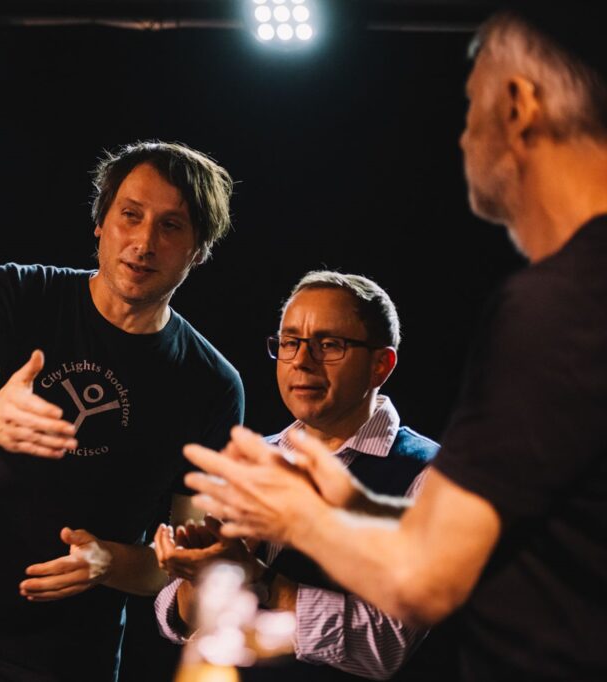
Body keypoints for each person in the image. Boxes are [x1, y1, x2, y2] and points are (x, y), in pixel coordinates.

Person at [182, 5, 607, 679]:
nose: (462, 138)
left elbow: (424, 581)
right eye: (290, 340)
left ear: (518, 105)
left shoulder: (562, 307)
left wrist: (296, 518)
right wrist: (352, 504)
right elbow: (475, 545)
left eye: (469, 107)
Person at [0, 141, 244, 681]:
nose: (144, 242)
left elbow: (182, 561)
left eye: (171, 226)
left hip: (65, 664)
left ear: (198, 250)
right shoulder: (20, 292)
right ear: (100, 223)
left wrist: (110, 562)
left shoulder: (212, 385)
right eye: (130, 215)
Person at [154, 271, 439, 680]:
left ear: (381, 365)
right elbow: (179, 623)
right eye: (290, 343)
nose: (302, 361)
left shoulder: (429, 475)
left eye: (330, 345)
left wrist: (262, 581)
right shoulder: (253, 458)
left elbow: (385, 646)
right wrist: (203, 575)